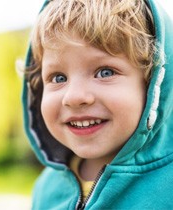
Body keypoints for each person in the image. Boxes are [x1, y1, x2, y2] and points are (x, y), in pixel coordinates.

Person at [22, 0, 173, 209]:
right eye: (58, 78)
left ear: (154, 83)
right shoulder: (47, 188)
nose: (74, 97)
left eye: (105, 72)